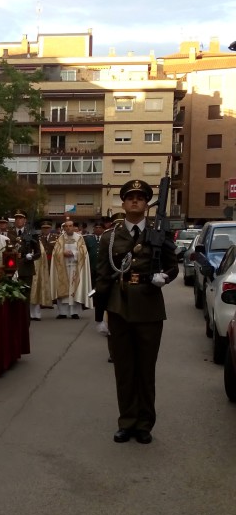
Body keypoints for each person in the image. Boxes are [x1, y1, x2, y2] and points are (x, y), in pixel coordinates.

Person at [95, 179, 178, 444]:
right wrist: (100, 315)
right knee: (124, 369)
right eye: (130, 197)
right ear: (123, 203)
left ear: (146, 204)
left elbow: (173, 266)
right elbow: (103, 277)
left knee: (145, 369)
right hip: (119, 309)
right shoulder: (109, 238)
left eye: (140, 197)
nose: (135, 201)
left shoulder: (159, 234)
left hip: (149, 307)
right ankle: (126, 421)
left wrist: (164, 277)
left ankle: (144, 424)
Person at [50, 219, 92, 319]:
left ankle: (74, 312)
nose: (68, 228)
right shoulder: (60, 238)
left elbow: (84, 252)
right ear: (64, 228)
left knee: (74, 290)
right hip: (63, 268)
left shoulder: (79, 238)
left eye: (70, 226)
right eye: (66, 226)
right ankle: (62, 312)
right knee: (63, 289)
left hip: (75, 268)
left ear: (73, 227)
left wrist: (73, 253)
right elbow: (55, 253)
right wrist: (62, 253)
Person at [84, 222, 108, 333]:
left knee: (101, 289)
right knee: (93, 285)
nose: (98, 229)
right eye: (96, 227)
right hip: (92, 267)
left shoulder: (107, 238)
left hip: (104, 269)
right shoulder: (88, 239)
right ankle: (92, 301)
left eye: (100, 227)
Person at [30, 226, 53, 319]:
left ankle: (36, 313)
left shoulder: (38, 243)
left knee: (36, 290)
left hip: (36, 269)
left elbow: (41, 255)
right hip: (25, 269)